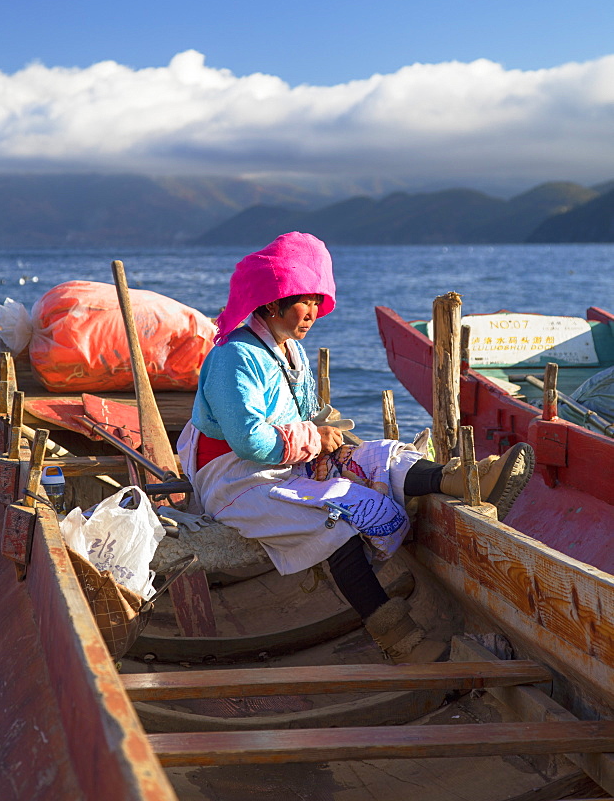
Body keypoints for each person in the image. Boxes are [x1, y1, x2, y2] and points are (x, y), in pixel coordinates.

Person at [177, 232, 534, 661]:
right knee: (338, 522)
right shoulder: (234, 356)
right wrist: (315, 440)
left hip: (288, 463)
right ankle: (400, 641)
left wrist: (330, 447)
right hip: (236, 480)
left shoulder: (290, 352)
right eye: (304, 301)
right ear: (273, 301)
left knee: (380, 455)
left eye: (317, 301)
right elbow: (249, 440)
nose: (313, 313)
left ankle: (462, 479)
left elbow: (308, 415)